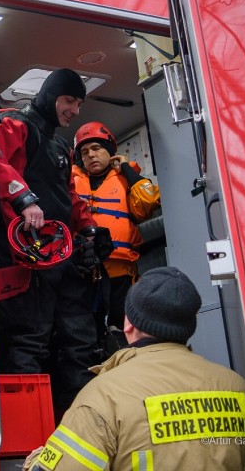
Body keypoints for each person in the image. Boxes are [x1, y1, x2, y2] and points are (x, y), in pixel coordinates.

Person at [23, 267, 245, 471]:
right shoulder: (235, 386)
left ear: (128, 323)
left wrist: (36, 458)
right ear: (188, 326)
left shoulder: (103, 396)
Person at [0, 68, 102, 414]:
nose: (75, 110)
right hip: (24, 262)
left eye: (79, 103)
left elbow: (69, 196)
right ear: (49, 96)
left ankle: (78, 425)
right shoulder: (15, 125)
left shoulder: (61, 146)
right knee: (27, 341)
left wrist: (90, 229)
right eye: (68, 101)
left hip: (61, 261)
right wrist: (24, 198)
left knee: (79, 341)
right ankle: (26, 430)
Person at [72, 122, 161, 346]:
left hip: (121, 270)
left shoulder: (126, 179)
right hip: (84, 270)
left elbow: (147, 204)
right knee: (84, 333)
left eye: (96, 148)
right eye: (84, 152)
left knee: (122, 331)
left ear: (109, 151)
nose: (90, 155)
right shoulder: (71, 184)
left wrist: (128, 171)